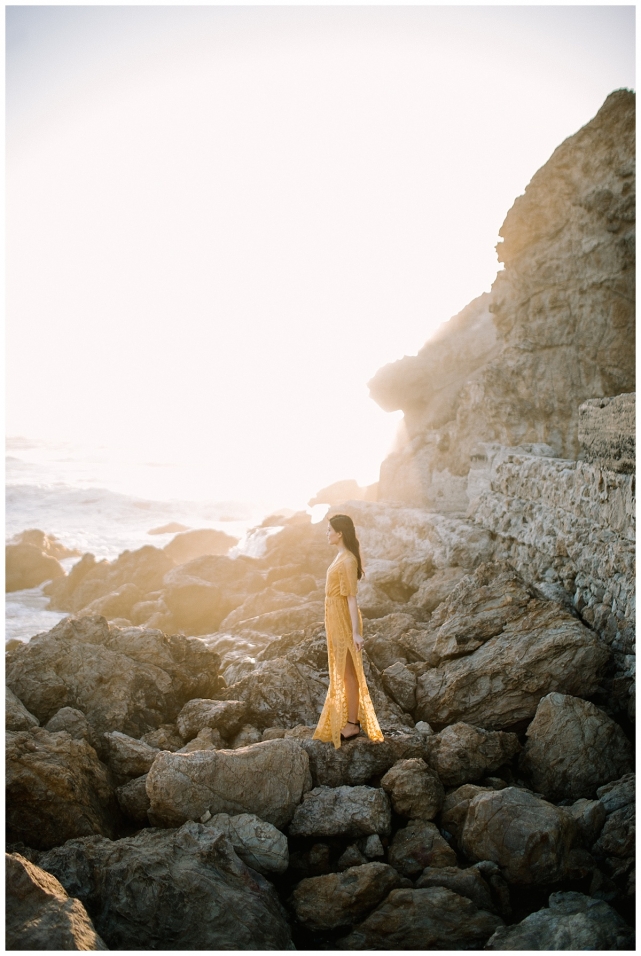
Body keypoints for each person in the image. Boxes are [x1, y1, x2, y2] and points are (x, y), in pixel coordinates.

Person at [313, 513, 384, 749]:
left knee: (349, 674)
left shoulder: (348, 560)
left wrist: (355, 632)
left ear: (339, 532)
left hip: (344, 619)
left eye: (329, 530)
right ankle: (351, 719)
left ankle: (353, 724)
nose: (327, 533)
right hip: (334, 618)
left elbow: (352, 600)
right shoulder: (341, 556)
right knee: (344, 673)